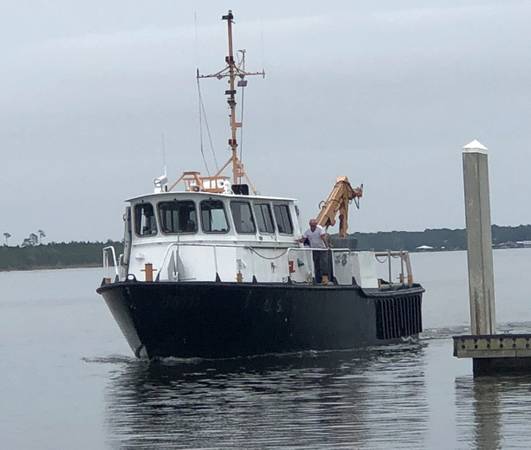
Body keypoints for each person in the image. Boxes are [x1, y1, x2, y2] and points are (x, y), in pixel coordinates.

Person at [299, 219, 329, 283]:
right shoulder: (308, 232)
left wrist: (327, 246)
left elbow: (323, 237)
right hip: (314, 249)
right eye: (311, 225)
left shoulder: (320, 229)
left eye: (313, 225)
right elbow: (303, 239)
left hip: (322, 249)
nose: (312, 226)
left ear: (316, 224)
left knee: (324, 263)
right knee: (316, 263)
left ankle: (325, 278)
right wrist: (298, 240)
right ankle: (318, 279)